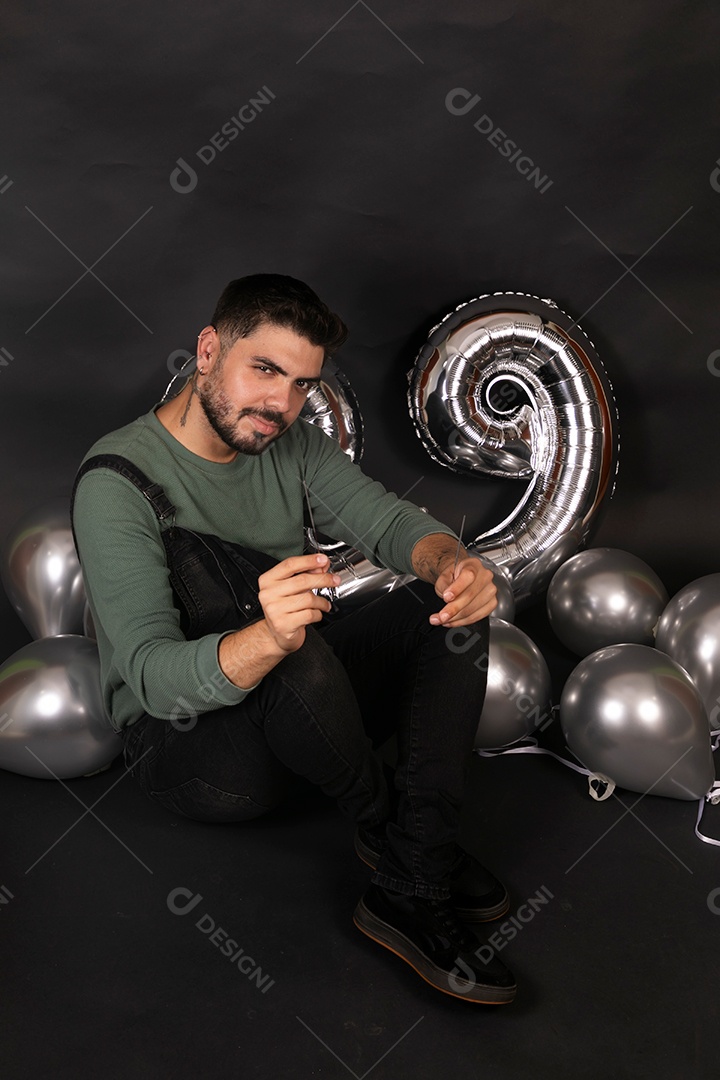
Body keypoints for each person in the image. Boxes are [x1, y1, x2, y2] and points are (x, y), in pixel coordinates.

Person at [72, 273, 516, 1005]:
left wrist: (452, 563)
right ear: (208, 351)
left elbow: (388, 523)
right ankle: (402, 845)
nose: (280, 403)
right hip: (191, 752)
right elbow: (150, 679)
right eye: (264, 369)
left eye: (301, 383)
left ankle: (410, 873)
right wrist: (269, 639)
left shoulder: (292, 445)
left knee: (444, 611)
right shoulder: (115, 480)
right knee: (297, 649)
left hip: (307, 715)